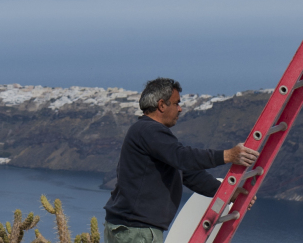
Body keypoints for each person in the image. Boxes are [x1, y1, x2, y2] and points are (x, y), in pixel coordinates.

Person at [103, 77, 259, 243]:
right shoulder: (149, 130)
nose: (180, 109)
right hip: (136, 230)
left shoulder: (148, 133)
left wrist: (229, 193)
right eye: (176, 103)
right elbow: (183, 157)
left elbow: (189, 174)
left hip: (131, 228)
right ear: (162, 105)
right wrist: (228, 155)